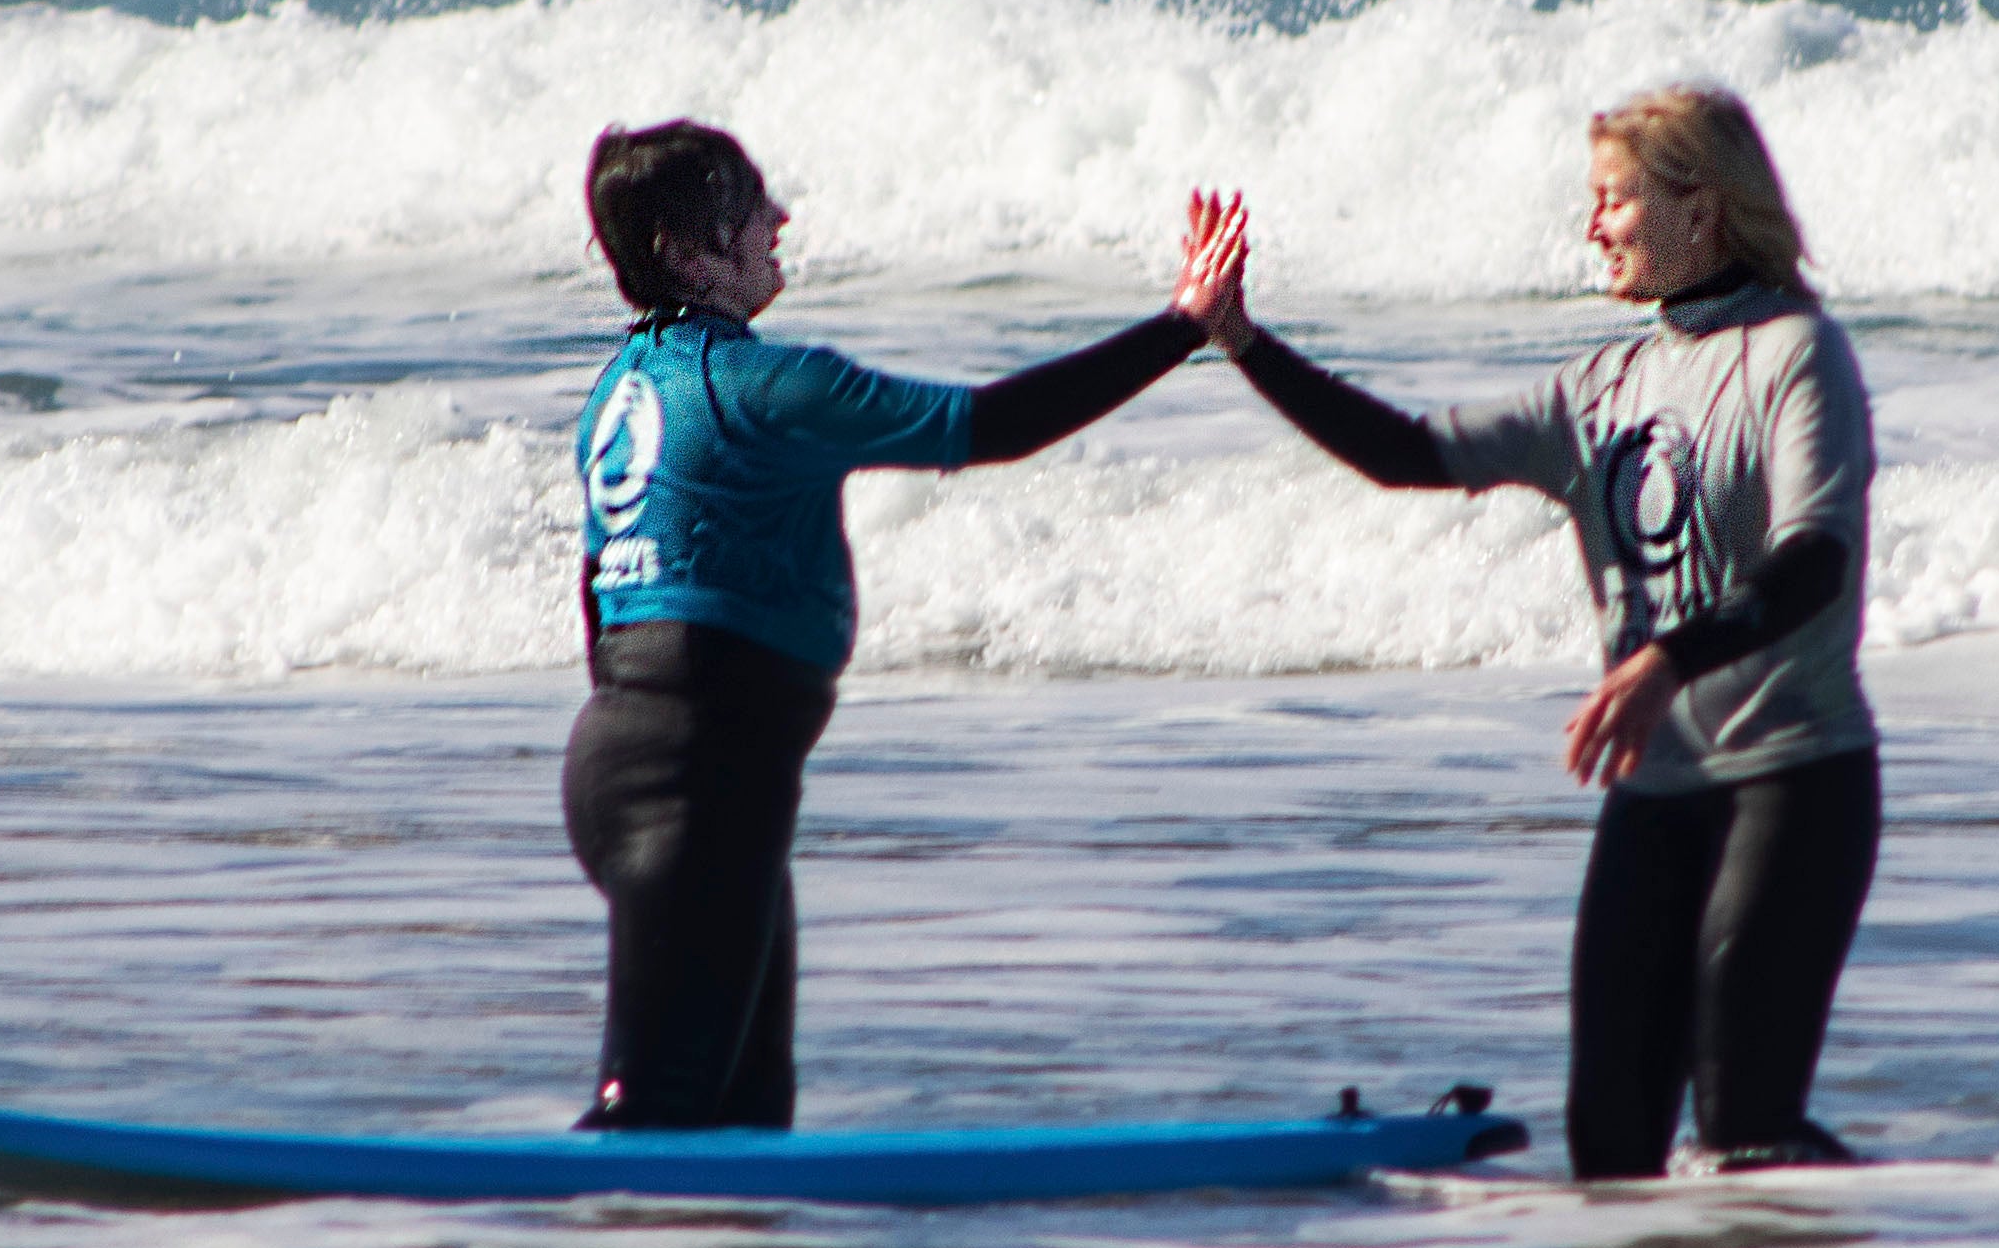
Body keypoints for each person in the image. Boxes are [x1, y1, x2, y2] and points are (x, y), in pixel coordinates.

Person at [1191, 88, 1878, 1181]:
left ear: (1700, 206)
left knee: (1745, 1129)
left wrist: (1667, 656)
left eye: (1616, 200)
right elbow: (1405, 452)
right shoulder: (1599, 387)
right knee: (1609, 1151)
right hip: (1654, 794)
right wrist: (1241, 342)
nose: (1593, 225)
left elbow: (1815, 562)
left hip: (1792, 782)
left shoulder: (1799, 352)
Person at [567, 123, 1236, 1128]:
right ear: (690, 248)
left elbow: (598, 594)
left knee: (743, 1114)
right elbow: (992, 424)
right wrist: (1185, 326)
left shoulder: (619, 394)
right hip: (699, 781)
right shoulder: (769, 387)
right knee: (652, 1117)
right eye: (752, 203)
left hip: (646, 762)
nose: (779, 218)